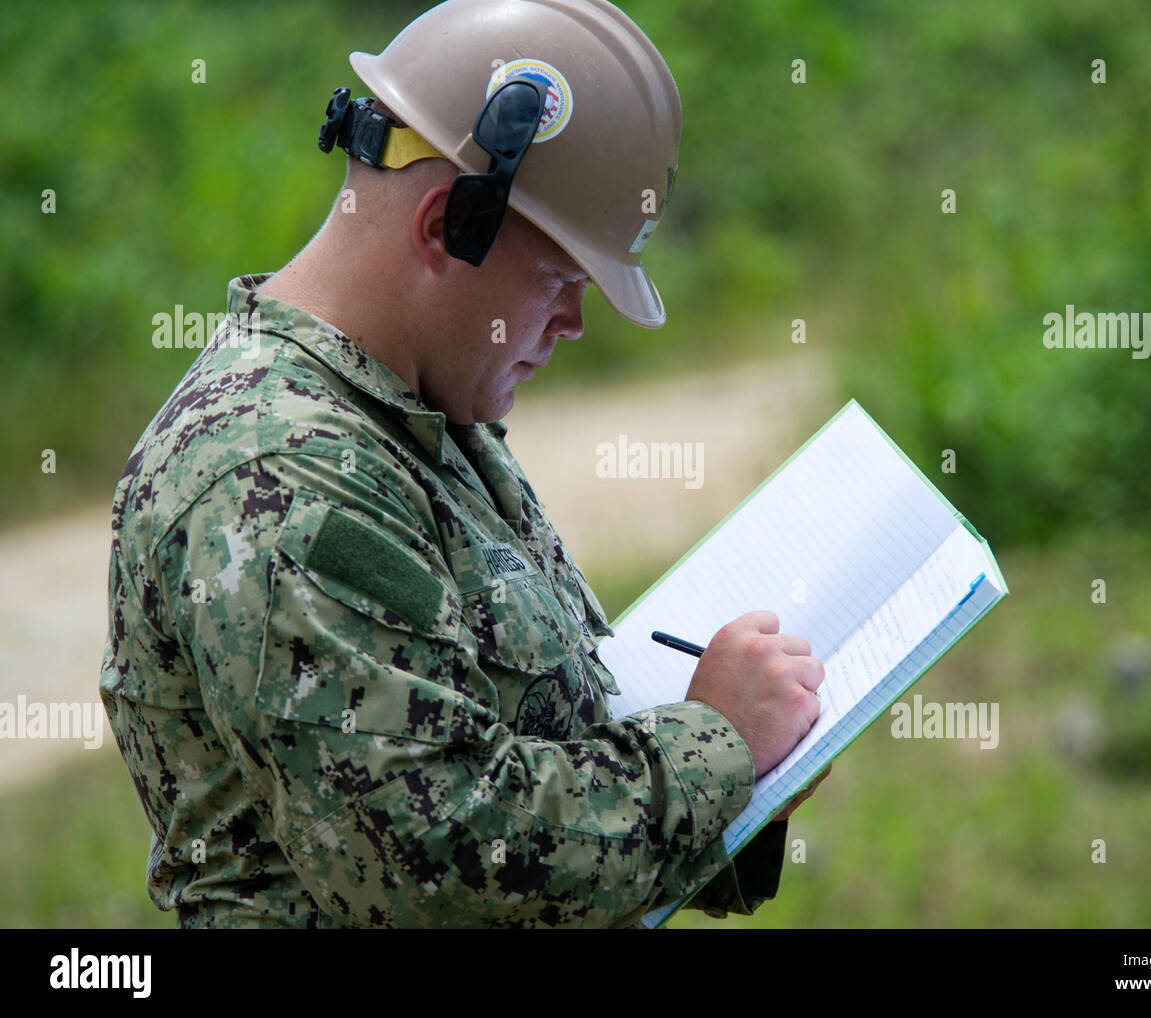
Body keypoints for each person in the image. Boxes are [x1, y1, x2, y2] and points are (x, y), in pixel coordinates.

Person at [100, 0, 829, 929]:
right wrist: (715, 747)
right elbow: (439, 869)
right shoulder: (274, 475)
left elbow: (541, 742)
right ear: (446, 225)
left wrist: (750, 780)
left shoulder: (417, 418)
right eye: (563, 281)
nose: (573, 325)